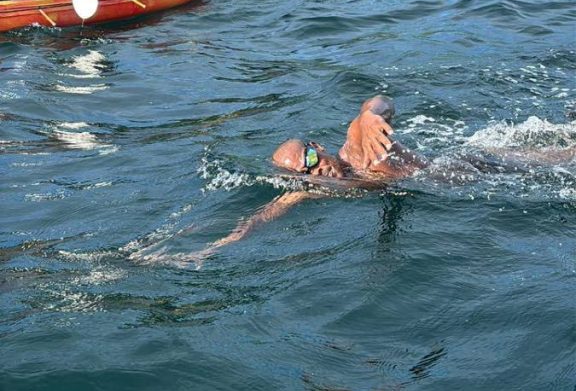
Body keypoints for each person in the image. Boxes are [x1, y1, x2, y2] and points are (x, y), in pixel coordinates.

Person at [130, 96, 575, 268]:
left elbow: (381, 102)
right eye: (299, 172)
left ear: (319, 146)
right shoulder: (317, 187)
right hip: (463, 188)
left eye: (308, 156)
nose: (311, 169)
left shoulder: (354, 145)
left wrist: (369, 116)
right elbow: (262, 215)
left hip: (473, 165)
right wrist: (209, 248)